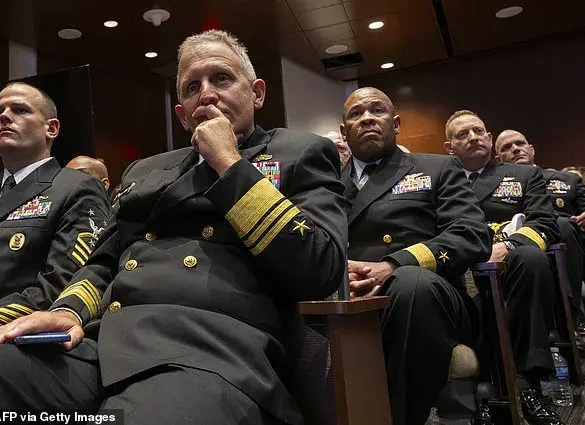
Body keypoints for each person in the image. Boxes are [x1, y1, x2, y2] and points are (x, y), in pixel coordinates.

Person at [0, 30, 347, 425]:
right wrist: (68, 311)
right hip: (108, 342)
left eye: (221, 78)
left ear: (257, 94)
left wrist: (229, 165)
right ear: (182, 114)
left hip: (213, 352)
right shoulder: (147, 170)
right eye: (192, 87)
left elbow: (320, 268)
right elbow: (104, 260)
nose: (207, 94)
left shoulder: (298, 152)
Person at [341, 87, 492, 425]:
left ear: (395, 124)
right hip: (350, 299)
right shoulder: (328, 184)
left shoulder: (436, 167)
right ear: (343, 131)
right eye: (356, 114)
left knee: (412, 285)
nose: (367, 118)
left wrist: (394, 264)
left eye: (377, 110)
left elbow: (471, 234)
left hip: (430, 297)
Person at [444, 111, 563, 425]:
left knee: (532, 259)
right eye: (463, 134)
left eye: (478, 131)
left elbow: (545, 223)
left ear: (489, 137)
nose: (473, 137)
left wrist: (508, 246)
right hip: (461, 263)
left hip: (512, 263)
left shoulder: (522, 174)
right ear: (449, 147)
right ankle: (479, 392)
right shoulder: (442, 178)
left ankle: (528, 383)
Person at [0, 81, 110, 316]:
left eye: (20, 109)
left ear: (51, 128)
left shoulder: (77, 187)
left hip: (22, 329)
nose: (4, 116)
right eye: (0, 111)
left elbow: (61, 285)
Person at [495, 129, 585, 327]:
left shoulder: (568, 180)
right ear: (499, 159)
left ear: (532, 149)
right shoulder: (497, 190)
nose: (515, 149)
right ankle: (568, 321)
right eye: (507, 147)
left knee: (563, 225)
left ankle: (571, 315)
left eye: (520, 143)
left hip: (573, 247)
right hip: (525, 250)